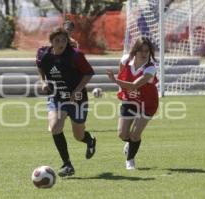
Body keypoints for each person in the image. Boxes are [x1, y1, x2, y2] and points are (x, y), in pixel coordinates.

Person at [36, 27, 96, 177]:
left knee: (78, 136)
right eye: (57, 40)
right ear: (51, 42)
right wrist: (43, 82)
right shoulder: (43, 55)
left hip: (77, 100)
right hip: (56, 97)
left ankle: (90, 140)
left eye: (64, 40)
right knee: (55, 127)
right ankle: (67, 164)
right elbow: (40, 68)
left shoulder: (75, 56)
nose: (61, 43)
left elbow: (88, 73)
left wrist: (77, 90)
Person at [106, 36, 159, 170]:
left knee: (135, 134)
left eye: (147, 51)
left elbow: (134, 85)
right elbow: (122, 74)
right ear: (135, 50)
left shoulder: (150, 68)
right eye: (141, 50)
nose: (144, 53)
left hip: (147, 103)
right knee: (122, 134)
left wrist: (114, 81)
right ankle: (130, 144)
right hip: (129, 100)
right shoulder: (125, 60)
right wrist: (121, 90)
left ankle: (130, 160)